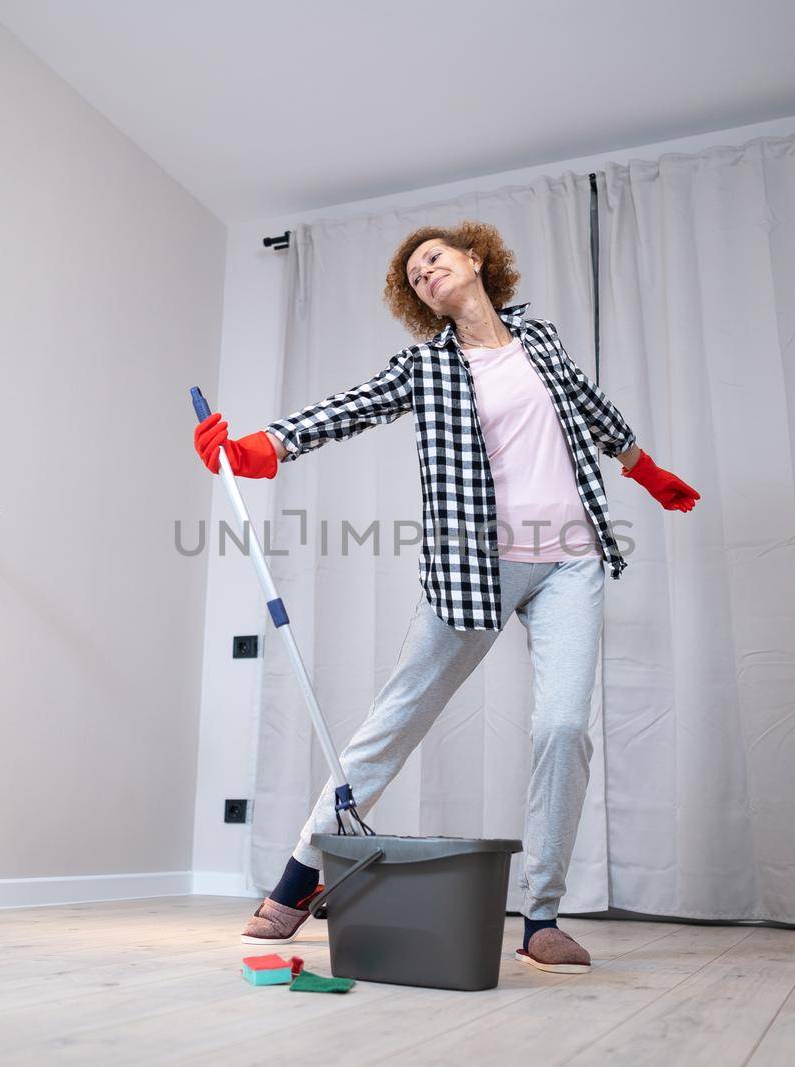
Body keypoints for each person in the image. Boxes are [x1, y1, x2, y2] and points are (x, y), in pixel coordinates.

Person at [192, 220, 698, 974]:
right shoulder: (425, 366)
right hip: (476, 566)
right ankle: (302, 876)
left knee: (563, 728)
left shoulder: (542, 340)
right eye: (414, 274)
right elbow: (349, 407)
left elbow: (589, 406)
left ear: (475, 258)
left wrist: (641, 465)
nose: (426, 272)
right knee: (398, 715)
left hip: (570, 562)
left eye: (434, 257)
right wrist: (260, 447)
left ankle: (543, 915)